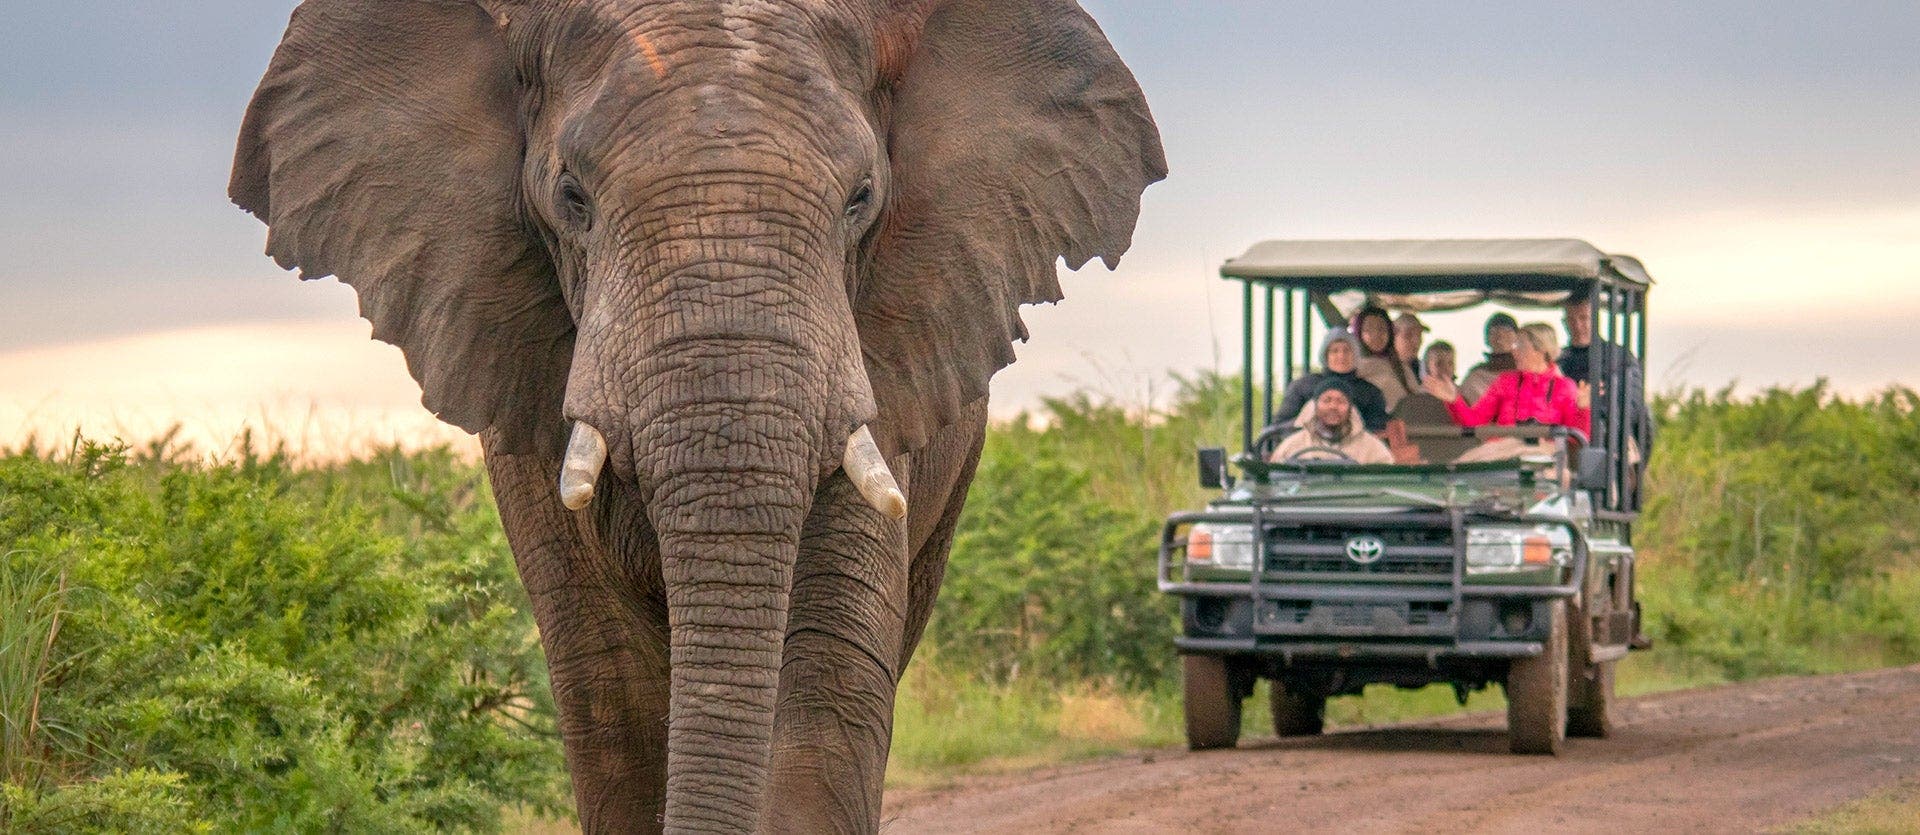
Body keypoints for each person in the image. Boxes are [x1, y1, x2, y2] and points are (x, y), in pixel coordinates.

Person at [1423, 322, 1590, 462]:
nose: (1514, 352)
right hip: (1501, 454)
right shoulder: (1506, 381)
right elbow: (1474, 422)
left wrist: (1583, 409)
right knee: (1458, 467)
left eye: (1520, 346)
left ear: (1541, 350)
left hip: (1543, 458)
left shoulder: (1564, 386)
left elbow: (1576, 440)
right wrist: (1454, 400)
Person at [1560, 297, 1653, 455]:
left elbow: (1631, 404)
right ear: (1564, 322)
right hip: (1567, 438)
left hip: (1610, 443)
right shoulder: (1561, 361)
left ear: (1595, 319)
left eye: (1583, 318)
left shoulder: (1619, 357)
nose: (1577, 325)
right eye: (1571, 319)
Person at [1272, 327, 1390, 432]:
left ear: (1355, 355)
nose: (1341, 356)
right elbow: (1280, 425)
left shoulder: (1370, 392)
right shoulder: (1303, 386)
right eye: (1335, 351)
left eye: (1347, 350)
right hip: (1306, 451)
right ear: (1325, 355)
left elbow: (1377, 428)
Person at [1269, 376, 1394, 464]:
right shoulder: (1292, 446)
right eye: (1327, 400)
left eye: (1341, 401)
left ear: (1350, 409)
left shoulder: (1373, 448)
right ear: (1315, 407)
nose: (1333, 407)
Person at [1352, 304, 1417, 408]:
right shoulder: (1351, 369)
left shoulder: (1402, 369)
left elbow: (1416, 401)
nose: (1376, 334)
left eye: (1382, 329)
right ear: (1358, 333)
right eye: (1368, 329)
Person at [1460, 312, 1519, 403]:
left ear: (1516, 337)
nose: (1501, 336)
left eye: (1507, 330)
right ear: (1487, 339)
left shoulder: (1528, 370)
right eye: (1494, 332)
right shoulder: (1476, 376)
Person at [1394, 312, 1429, 377]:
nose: (1416, 341)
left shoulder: (1426, 371)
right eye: (1408, 335)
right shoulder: (1380, 367)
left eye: (1419, 335)